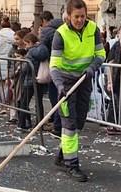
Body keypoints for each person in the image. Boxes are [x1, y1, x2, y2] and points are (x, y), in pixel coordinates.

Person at [50, 0, 106, 182]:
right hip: (65, 82)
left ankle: (62, 155)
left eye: (83, 16)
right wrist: (59, 85)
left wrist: (93, 67)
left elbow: (100, 54)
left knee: (80, 120)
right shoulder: (61, 34)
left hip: (84, 80)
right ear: (68, 16)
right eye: (76, 17)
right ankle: (71, 165)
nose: (80, 20)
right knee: (69, 124)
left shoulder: (93, 29)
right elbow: (54, 65)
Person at [16, 33, 49, 132]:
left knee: (24, 102)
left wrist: (20, 67)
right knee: (39, 102)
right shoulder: (43, 50)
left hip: (30, 80)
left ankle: (21, 125)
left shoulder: (30, 53)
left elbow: (27, 69)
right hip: (40, 80)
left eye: (26, 44)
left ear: (30, 42)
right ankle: (39, 124)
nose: (25, 47)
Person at [39, 10, 65, 136]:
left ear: (44, 21)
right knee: (64, 96)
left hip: (54, 65)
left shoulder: (46, 31)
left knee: (55, 95)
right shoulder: (64, 28)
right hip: (67, 67)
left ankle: (57, 124)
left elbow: (43, 51)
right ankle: (60, 122)